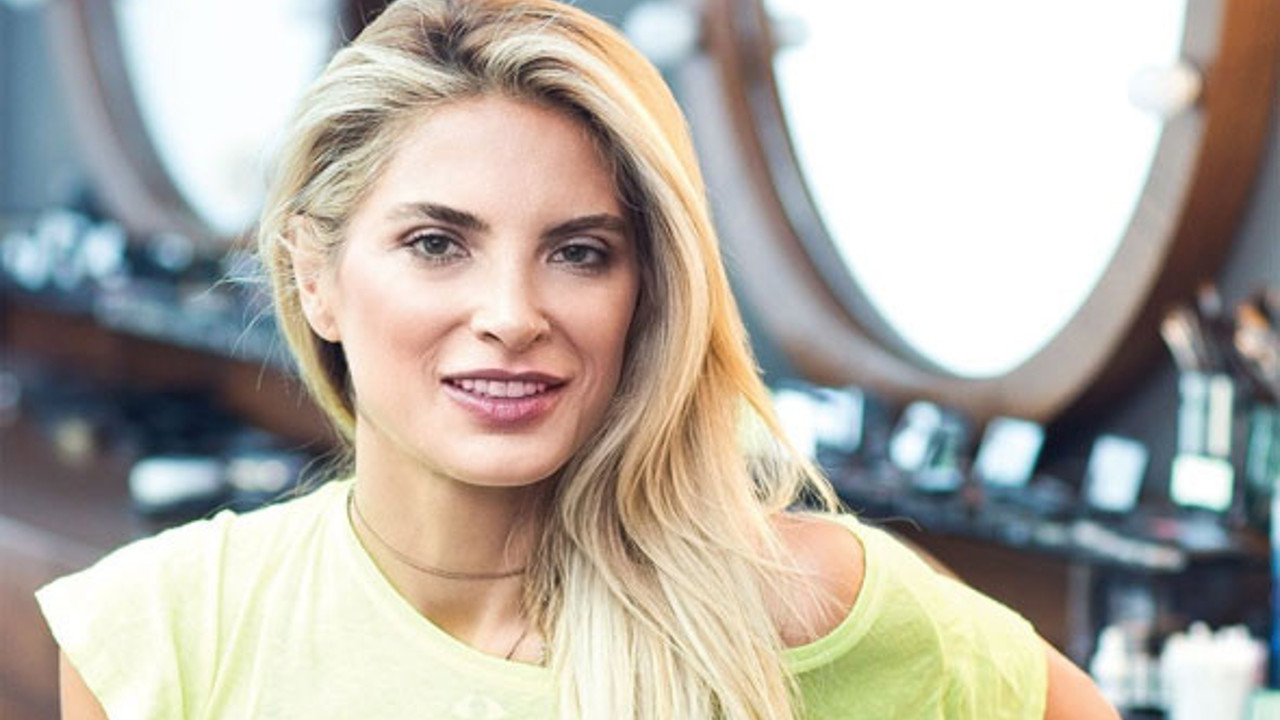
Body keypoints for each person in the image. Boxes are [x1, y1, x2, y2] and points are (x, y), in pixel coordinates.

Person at [37, 1, 1119, 718]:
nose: (512, 316)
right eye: (436, 244)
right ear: (313, 275)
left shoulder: (811, 608)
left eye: (579, 253)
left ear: (645, 295)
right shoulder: (155, 635)